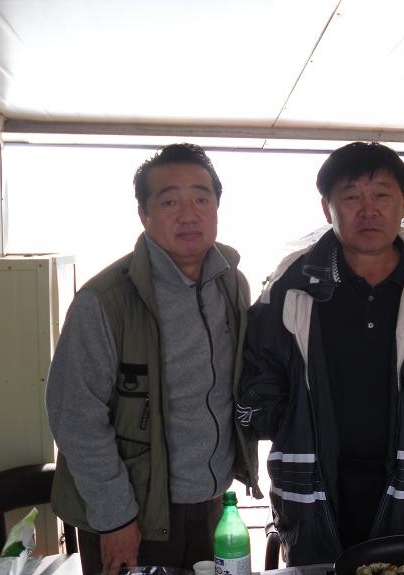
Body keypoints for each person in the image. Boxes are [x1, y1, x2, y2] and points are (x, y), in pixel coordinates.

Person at [236, 142, 404, 566]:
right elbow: (257, 374)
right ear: (327, 208)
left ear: (403, 202)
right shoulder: (292, 283)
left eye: (381, 195)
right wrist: (288, 423)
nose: (368, 211)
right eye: (351, 197)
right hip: (314, 488)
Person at [46, 143, 261, 574]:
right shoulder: (105, 300)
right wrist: (116, 518)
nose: (189, 214)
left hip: (212, 503)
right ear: (143, 214)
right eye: (169, 202)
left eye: (201, 199)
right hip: (133, 512)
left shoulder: (232, 284)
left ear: (217, 207)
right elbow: (77, 418)